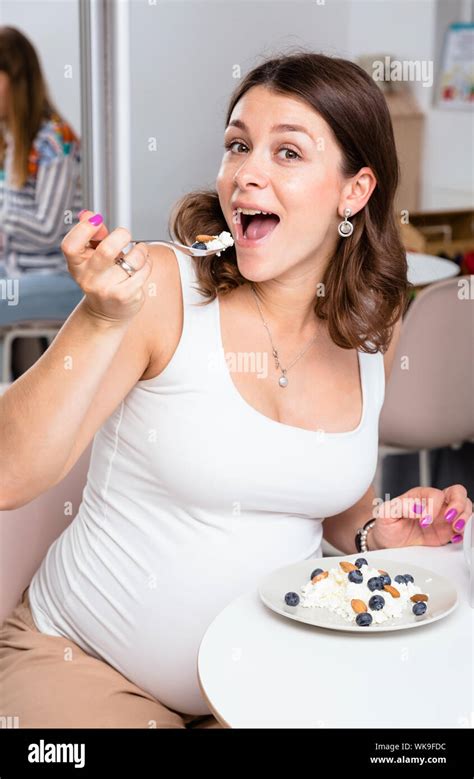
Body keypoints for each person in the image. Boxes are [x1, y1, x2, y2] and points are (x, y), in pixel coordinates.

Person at [0, 52, 471, 729]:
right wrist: (100, 321)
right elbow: (9, 474)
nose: (246, 172)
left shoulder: (372, 326)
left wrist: (377, 529)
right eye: (238, 145)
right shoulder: (162, 288)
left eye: (287, 152)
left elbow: (328, 501)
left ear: (354, 190)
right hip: (87, 665)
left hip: (265, 676)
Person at [0, 26, 83, 379]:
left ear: (15, 79)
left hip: (56, 277)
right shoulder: (10, 140)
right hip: (15, 273)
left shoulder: (55, 140)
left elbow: (49, 229)